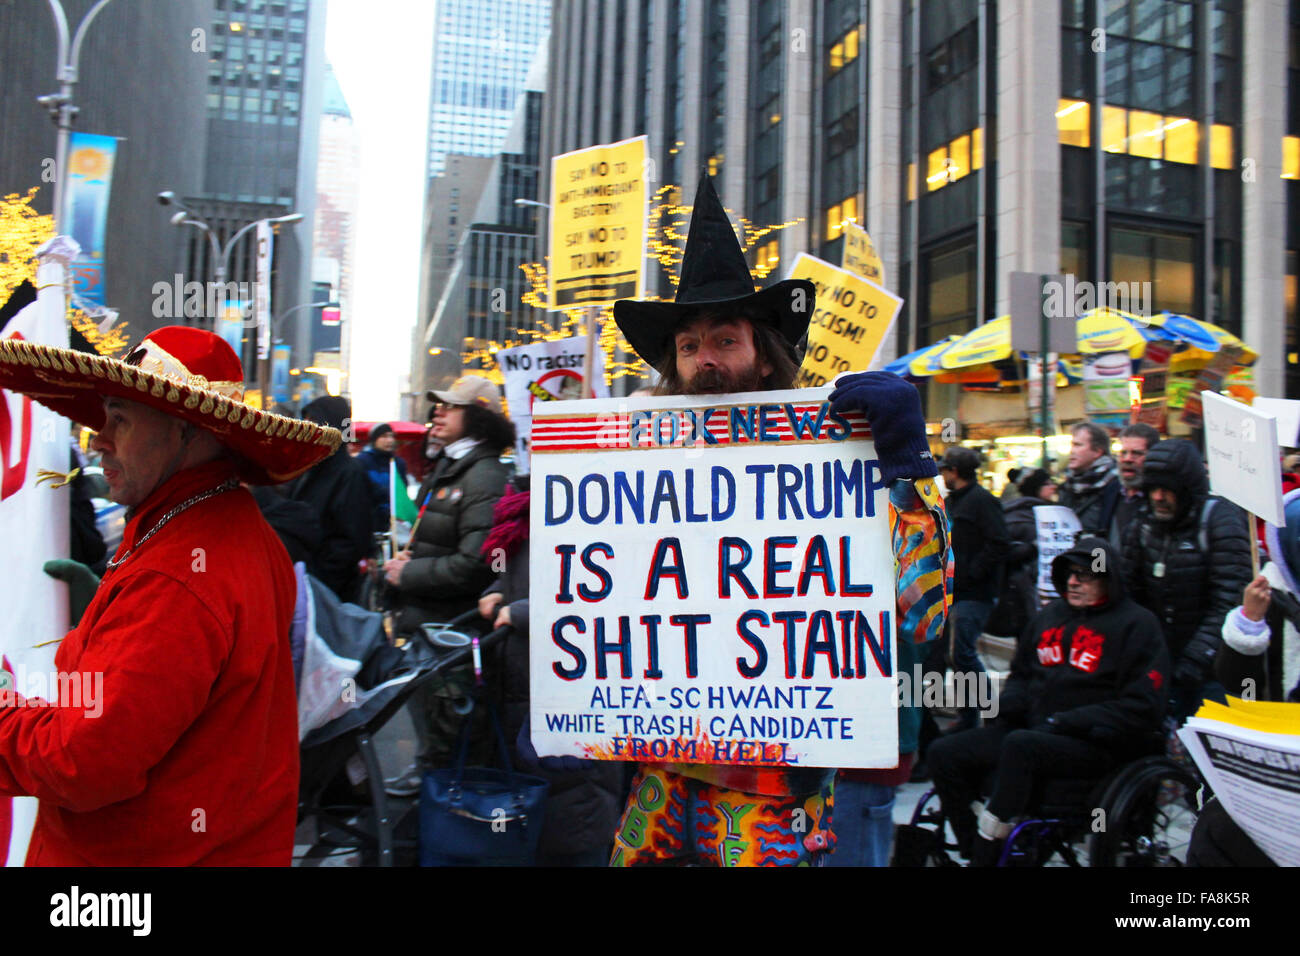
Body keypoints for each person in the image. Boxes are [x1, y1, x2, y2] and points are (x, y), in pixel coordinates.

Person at [606, 171, 951, 867]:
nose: (706, 361)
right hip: (660, 789)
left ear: (764, 358)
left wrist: (908, 466)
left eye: (725, 340)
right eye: (689, 345)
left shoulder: (834, 464)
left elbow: (926, 615)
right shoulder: (630, 477)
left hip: (774, 796)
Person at [0, 326, 339, 865]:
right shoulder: (229, 525)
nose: (97, 438)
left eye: (121, 419)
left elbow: (83, 764)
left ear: (189, 430)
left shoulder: (179, 571)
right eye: (103, 414)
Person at [928, 537, 1169, 866]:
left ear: (1108, 580)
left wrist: (1074, 720)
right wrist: (1009, 705)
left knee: (1021, 745)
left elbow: (1143, 706)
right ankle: (975, 844)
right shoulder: (1049, 617)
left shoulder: (1138, 625)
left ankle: (987, 855)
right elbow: (1022, 674)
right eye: (1070, 574)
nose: (1073, 581)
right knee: (944, 752)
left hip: (1094, 742)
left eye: (1085, 575)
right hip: (1035, 730)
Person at [381, 376, 512, 797]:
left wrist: (410, 573)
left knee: (452, 755)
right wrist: (410, 559)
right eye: (437, 405)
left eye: (450, 406)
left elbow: (476, 564)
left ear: (478, 417)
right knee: (438, 749)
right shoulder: (455, 468)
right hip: (436, 634)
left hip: (453, 637)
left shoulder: (484, 476)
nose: (437, 411)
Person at [1121, 438, 1252, 720]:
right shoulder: (1143, 523)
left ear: (1187, 489)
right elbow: (1130, 591)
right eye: (1153, 489)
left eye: (1167, 490)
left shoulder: (1220, 520)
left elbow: (1230, 599)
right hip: (1161, 667)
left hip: (1212, 672)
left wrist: (1194, 660)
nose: (1158, 497)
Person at [938, 446, 1010, 730]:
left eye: (945, 469)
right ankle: (968, 718)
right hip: (957, 591)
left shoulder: (981, 501)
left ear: (954, 472)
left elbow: (1000, 542)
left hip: (974, 593)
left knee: (963, 653)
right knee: (956, 655)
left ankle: (991, 715)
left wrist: (972, 572)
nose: (942, 474)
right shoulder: (955, 501)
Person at [286, 395, 373, 602]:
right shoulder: (308, 468)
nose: (307, 430)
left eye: (314, 423)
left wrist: (318, 577)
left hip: (327, 592)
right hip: (300, 582)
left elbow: (350, 541)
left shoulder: (349, 474)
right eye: (305, 423)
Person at [987, 468, 1055, 639]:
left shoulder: (1051, 511)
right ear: (1037, 488)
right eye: (1048, 484)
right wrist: (1033, 547)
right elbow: (1004, 550)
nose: (1053, 487)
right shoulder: (1019, 514)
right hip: (1022, 590)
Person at [1058, 421, 1121, 539]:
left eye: (1078, 445)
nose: (1071, 451)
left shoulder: (1116, 486)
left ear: (1097, 451)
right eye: (1072, 445)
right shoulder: (1067, 486)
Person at [354, 422, 409, 532]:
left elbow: (402, 490)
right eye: (384, 436)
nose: (389, 440)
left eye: (391, 436)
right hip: (368, 520)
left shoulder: (398, 463)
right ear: (374, 440)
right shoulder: (362, 461)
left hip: (393, 520)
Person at [1111, 422, 1159, 546]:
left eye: (1136, 453)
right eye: (1123, 452)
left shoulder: (1160, 499)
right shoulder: (1110, 494)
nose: (1127, 459)